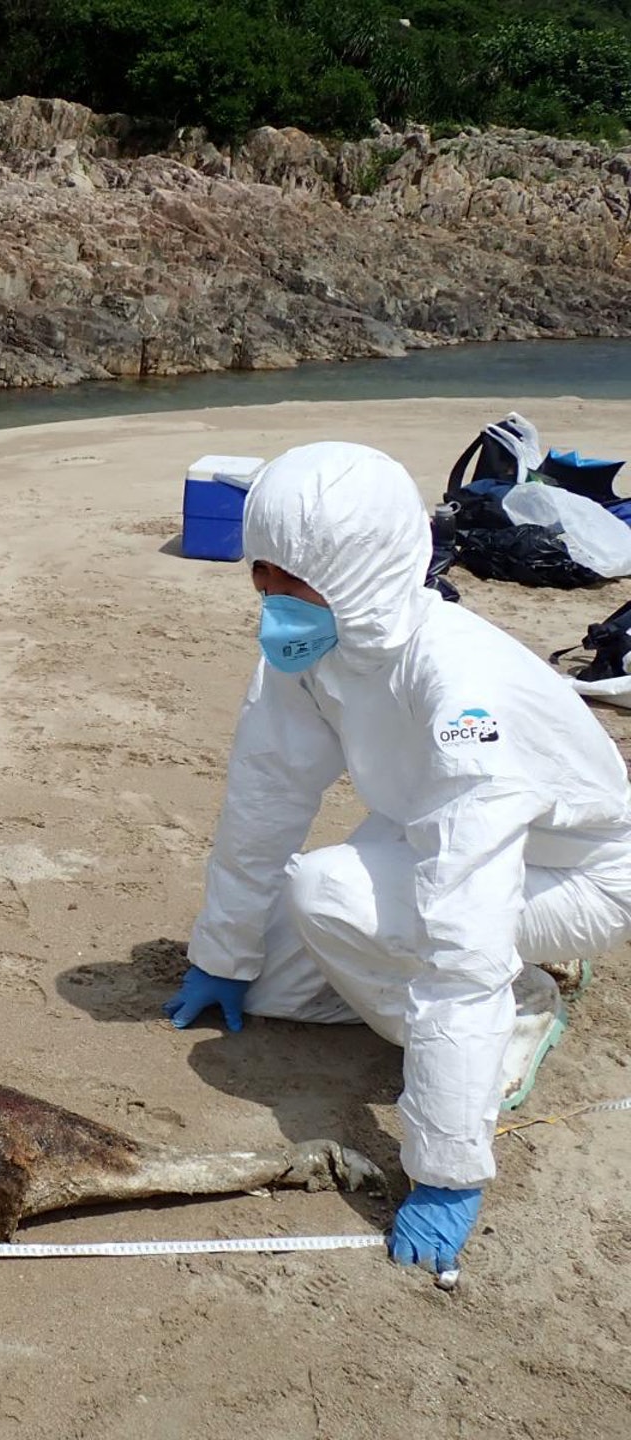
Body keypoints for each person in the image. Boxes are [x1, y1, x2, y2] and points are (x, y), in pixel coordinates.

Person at [165, 441, 630, 1277]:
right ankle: (454, 1019)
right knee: (273, 983)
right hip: (422, 826)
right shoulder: (312, 655)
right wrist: (222, 956)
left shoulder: (459, 689)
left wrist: (447, 1167)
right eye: (260, 577)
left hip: (578, 870)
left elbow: (463, 917)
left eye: (291, 582)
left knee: (331, 892)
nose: (271, 602)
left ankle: (514, 1015)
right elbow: (263, 800)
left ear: (359, 571)